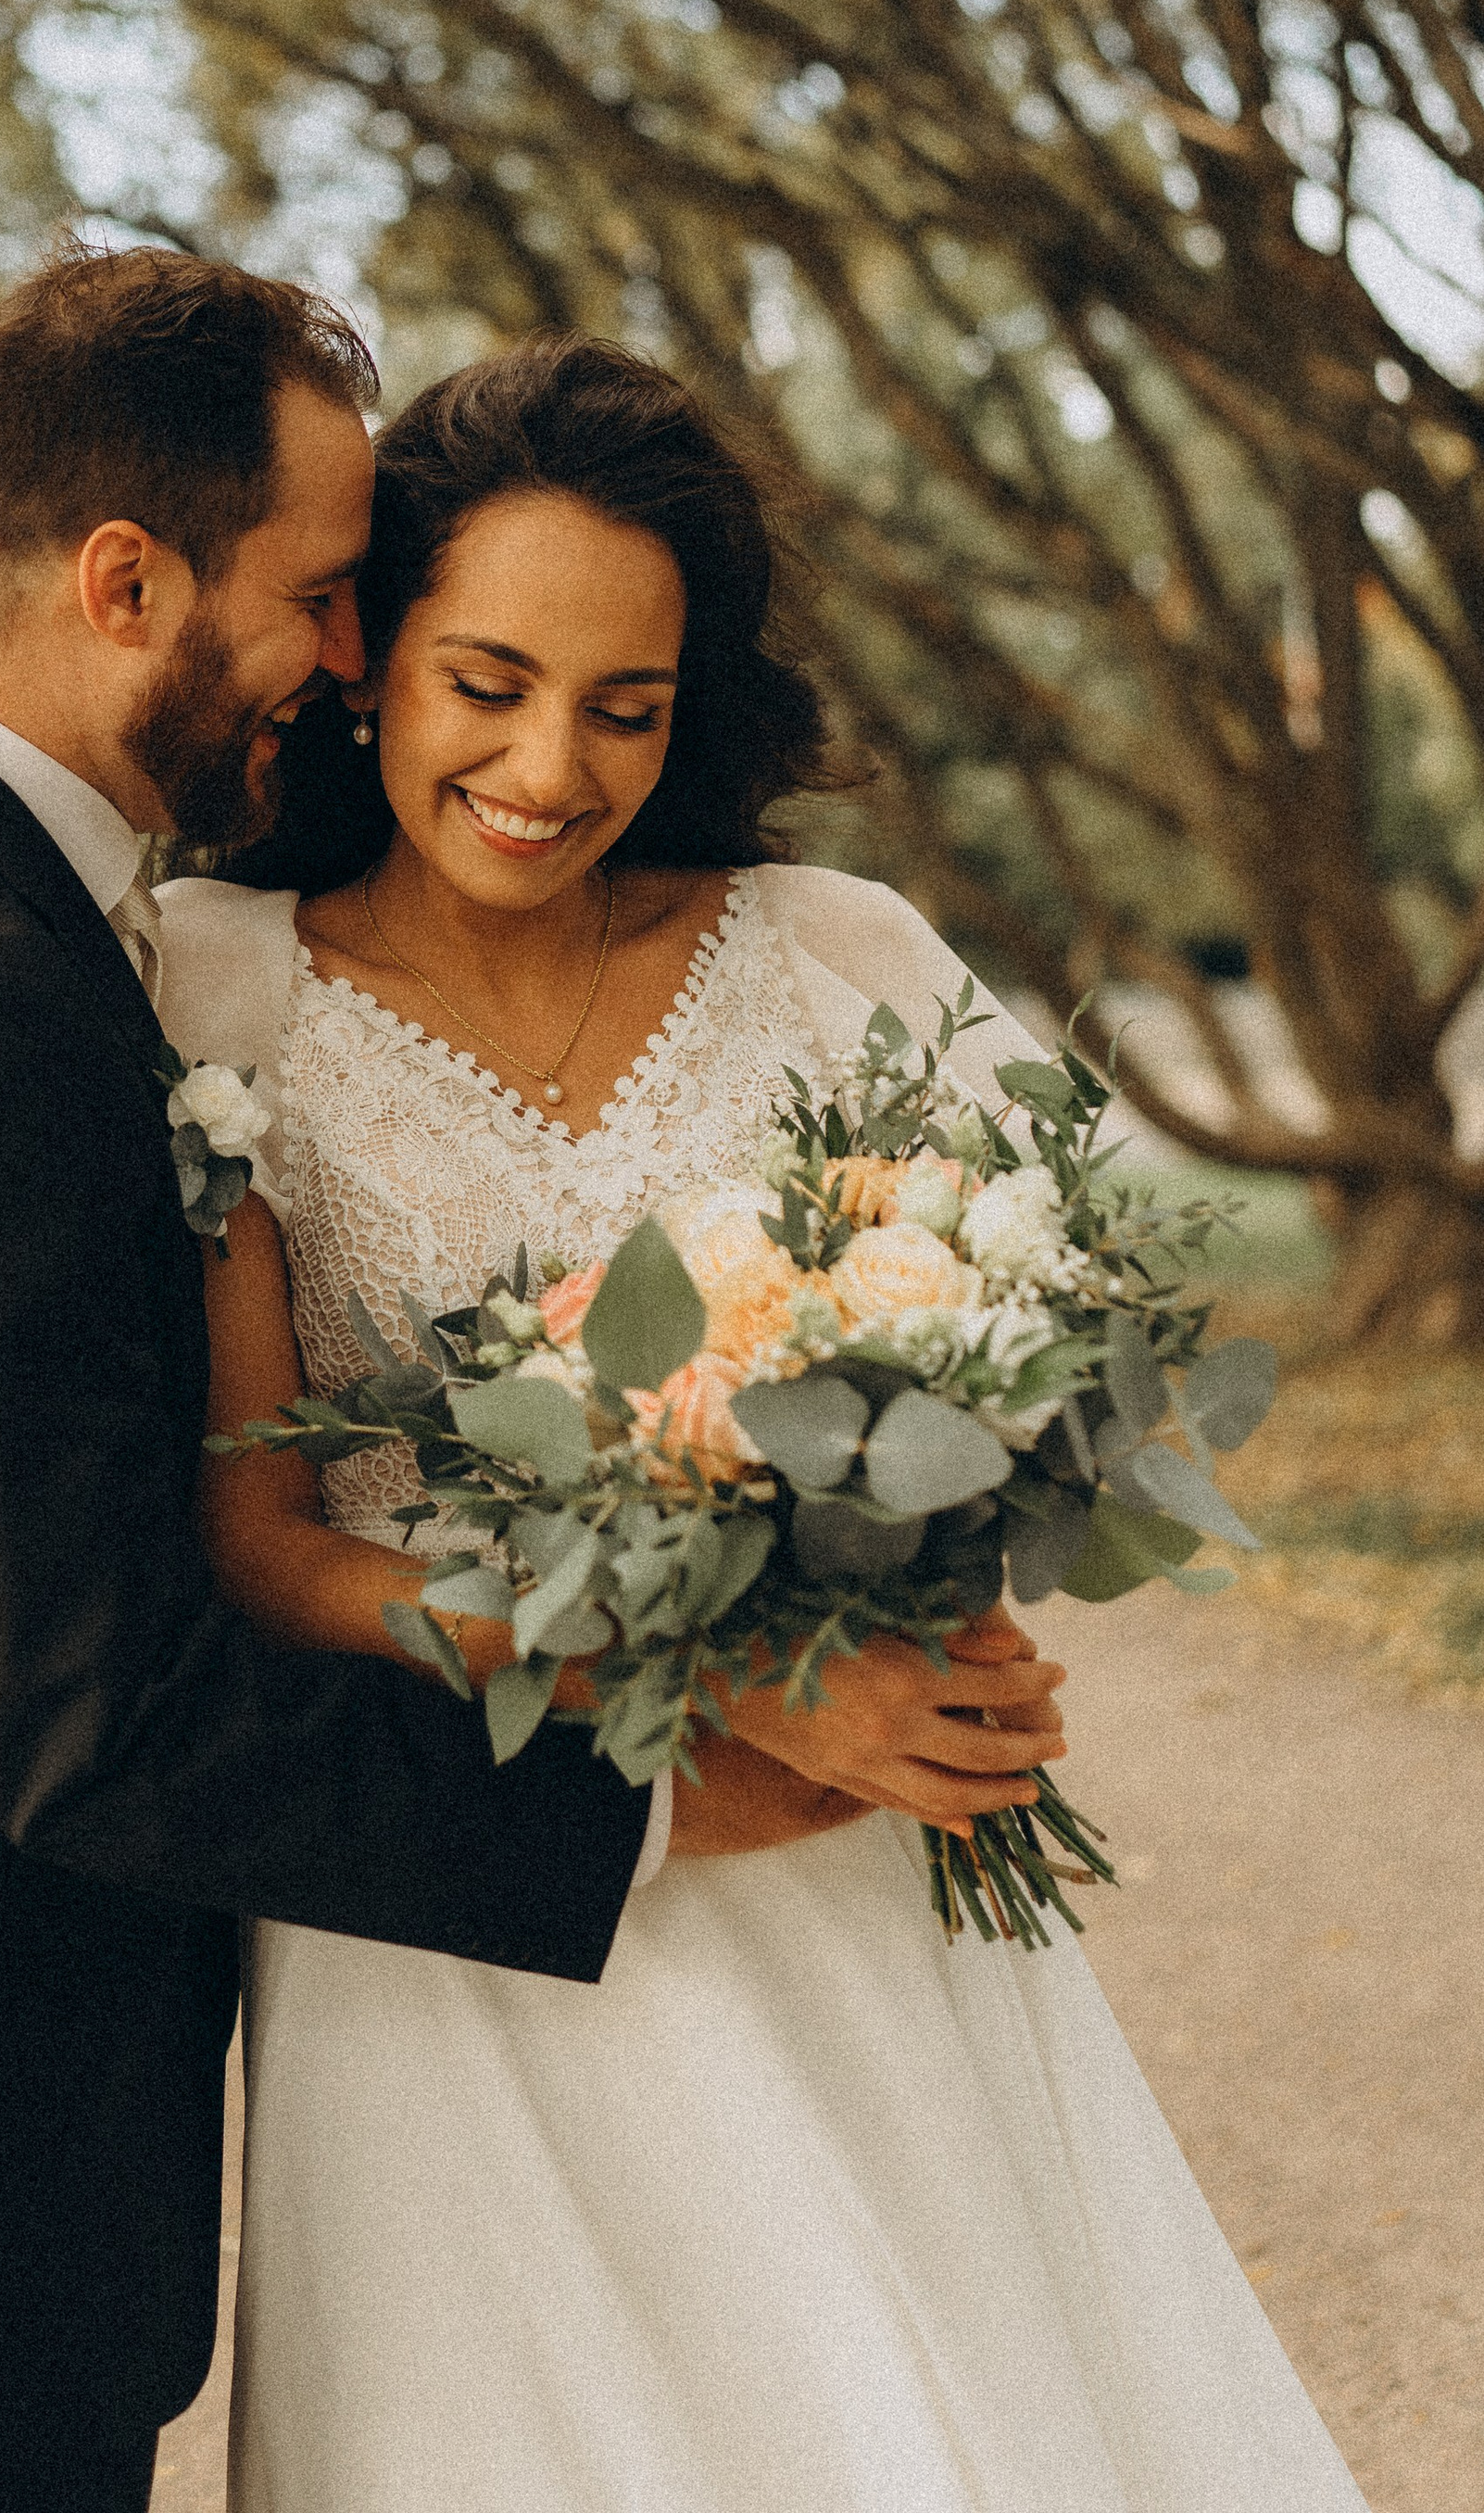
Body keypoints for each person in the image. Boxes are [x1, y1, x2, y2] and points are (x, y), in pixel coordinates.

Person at [0, 252, 1068, 2513]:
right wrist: (683, 1782)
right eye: (338, 599)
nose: (347, 661)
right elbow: (97, 1715)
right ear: (127, 582)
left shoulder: (2, 911)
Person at [159, 331, 1369, 2513]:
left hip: (853, 1891)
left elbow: (1075, 1321)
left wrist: (924, 1588)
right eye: (488, 683)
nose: (550, 765)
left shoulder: (831, 950)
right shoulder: (217, 990)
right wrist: (705, 1689)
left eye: (625, 710)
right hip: (461, 1924)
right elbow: (260, 1545)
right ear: (367, 662)